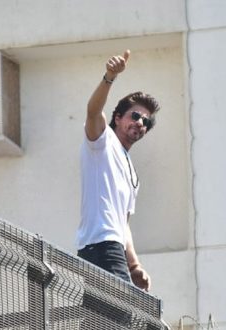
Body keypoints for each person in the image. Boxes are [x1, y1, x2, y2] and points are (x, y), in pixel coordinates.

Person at [76, 49, 159, 292]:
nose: (141, 123)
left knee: (102, 323)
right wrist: (110, 76)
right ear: (118, 117)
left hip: (110, 247)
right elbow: (92, 111)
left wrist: (134, 267)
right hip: (101, 244)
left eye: (147, 122)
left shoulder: (132, 174)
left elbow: (123, 223)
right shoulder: (102, 141)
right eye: (135, 115)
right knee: (120, 317)